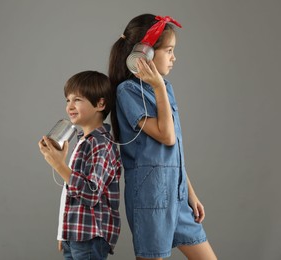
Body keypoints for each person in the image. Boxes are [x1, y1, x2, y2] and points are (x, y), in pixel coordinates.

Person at [108, 14, 217, 259]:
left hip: (177, 195)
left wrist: (190, 194)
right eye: (168, 50)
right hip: (151, 197)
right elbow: (166, 137)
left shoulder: (165, 88)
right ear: (144, 54)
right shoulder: (128, 91)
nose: (173, 57)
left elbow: (174, 150)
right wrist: (157, 86)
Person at [38, 70, 122, 260]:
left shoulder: (101, 144)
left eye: (77, 100)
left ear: (100, 104)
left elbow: (91, 193)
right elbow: (70, 194)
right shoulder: (83, 141)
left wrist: (60, 166)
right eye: (68, 100)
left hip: (90, 236)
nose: (70, 106)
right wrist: (64, 232)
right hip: (76, 234)